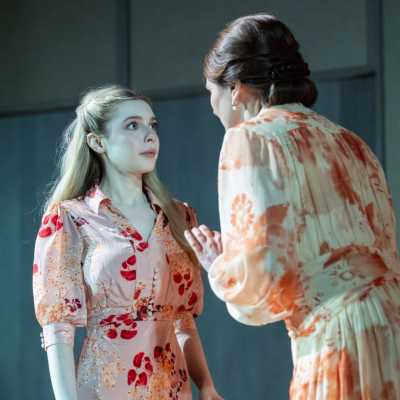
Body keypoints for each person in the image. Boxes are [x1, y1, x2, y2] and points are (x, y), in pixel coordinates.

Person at [185, 14, 400, 399]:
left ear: (235, 88)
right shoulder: (352, 143)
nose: (213, 107)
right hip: (390, 324)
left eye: (211, 93)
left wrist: (220, 266)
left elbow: (264, 277)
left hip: (336, 334)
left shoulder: (249, 139)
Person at [32, 85, 222, 400]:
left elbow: (183, 320)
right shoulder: (70, 217)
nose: (149, 135)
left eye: (152, 125)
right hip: (106, 388)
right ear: (97, 142)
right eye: (132, 125)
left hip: (172, 388)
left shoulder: (179, 216)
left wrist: (207, 385)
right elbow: (58, 327)